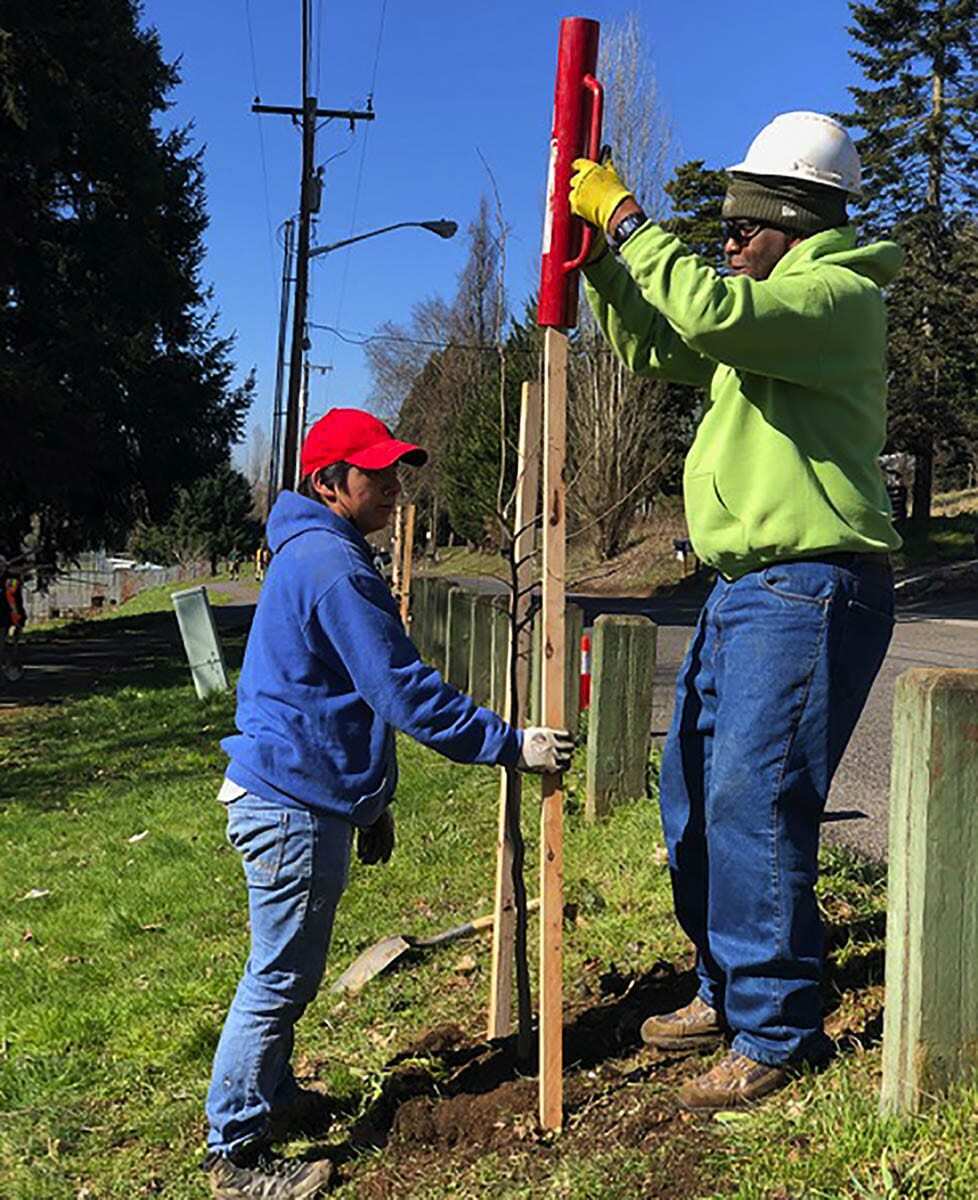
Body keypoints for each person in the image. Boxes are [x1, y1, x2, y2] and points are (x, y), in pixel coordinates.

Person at [569, 112, 902, 1111]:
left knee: (753, 805)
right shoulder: (760, 323)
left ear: (791, 220)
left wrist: (626, 217)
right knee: (695, 804)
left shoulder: (835, 298)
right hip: (741, 593)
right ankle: (724, 989)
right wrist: (601, 265)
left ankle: (774, 1029)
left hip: (807, 586)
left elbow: (710, 313)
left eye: (738, 230)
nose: (726, 245)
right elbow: (662, 337)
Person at [202, 407, 573, 1199]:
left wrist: (368, 801)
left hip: (299, 793)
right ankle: (233, 1154)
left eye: (397, 469)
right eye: (378, 472)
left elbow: (331, 697)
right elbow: (402, 692)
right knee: (278, 979)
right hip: (290, 805)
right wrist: (511, 744)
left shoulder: (314, 551)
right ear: (330, 482)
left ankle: (269, 1096)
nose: (395, 487)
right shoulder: (333, 568)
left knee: (285, 973)